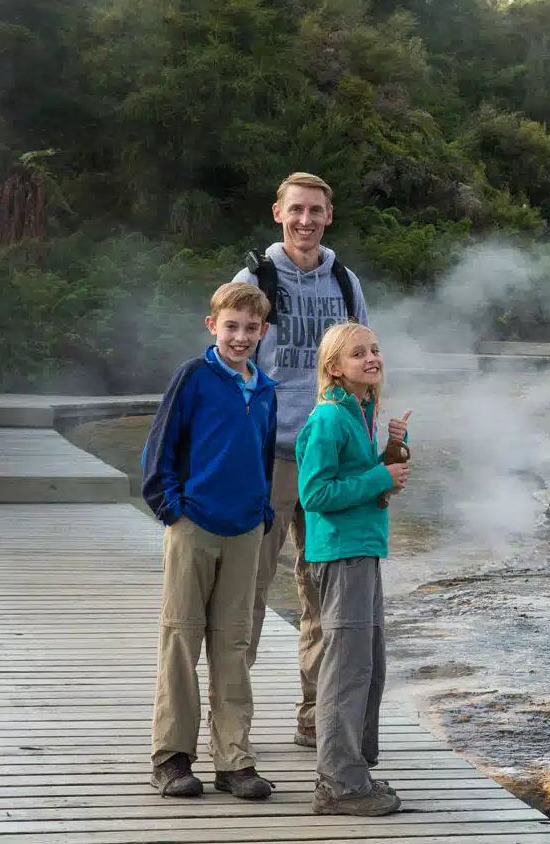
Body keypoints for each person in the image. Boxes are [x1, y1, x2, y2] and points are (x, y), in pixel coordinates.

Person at [233, 171, 371, 748]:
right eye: (296, 210)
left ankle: (317, 718)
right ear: (278, 213)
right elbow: (230, 363)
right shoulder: (255, 279)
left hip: (328, 457)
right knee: (248, 590)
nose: (305, 220)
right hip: (268, 457)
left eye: (315, 210)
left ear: (329, 216)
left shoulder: (344, 282)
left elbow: (362, 365)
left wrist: (367, 448)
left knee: (322, 591)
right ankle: (232, 725)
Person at [140, 283, 278, 800]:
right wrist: (171, 509)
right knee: (182, 639)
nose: (240, 337)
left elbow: (263, 456)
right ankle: (171, 757)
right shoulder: (194, 377)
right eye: (231, 326)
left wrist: (263, 512)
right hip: (194, 524)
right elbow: (160, 448)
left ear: (263, 332)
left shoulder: (265, 390)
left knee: (233, 645)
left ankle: (234, 760)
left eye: (250, 329)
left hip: (245, 530)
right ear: (212, 325)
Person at [297, 322, 412, 816]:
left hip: (362, 550)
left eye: (375, 350)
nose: (372, 358)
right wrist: (379, 477)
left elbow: (361, 480)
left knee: (367, 663)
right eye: (358, 353)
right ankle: (338, 785)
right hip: (341, 555)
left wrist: (391, 454)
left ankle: (353, 771)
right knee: (345, 669)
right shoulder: (329, 418)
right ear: (334, 367)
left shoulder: (360, 413)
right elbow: (314, 494)